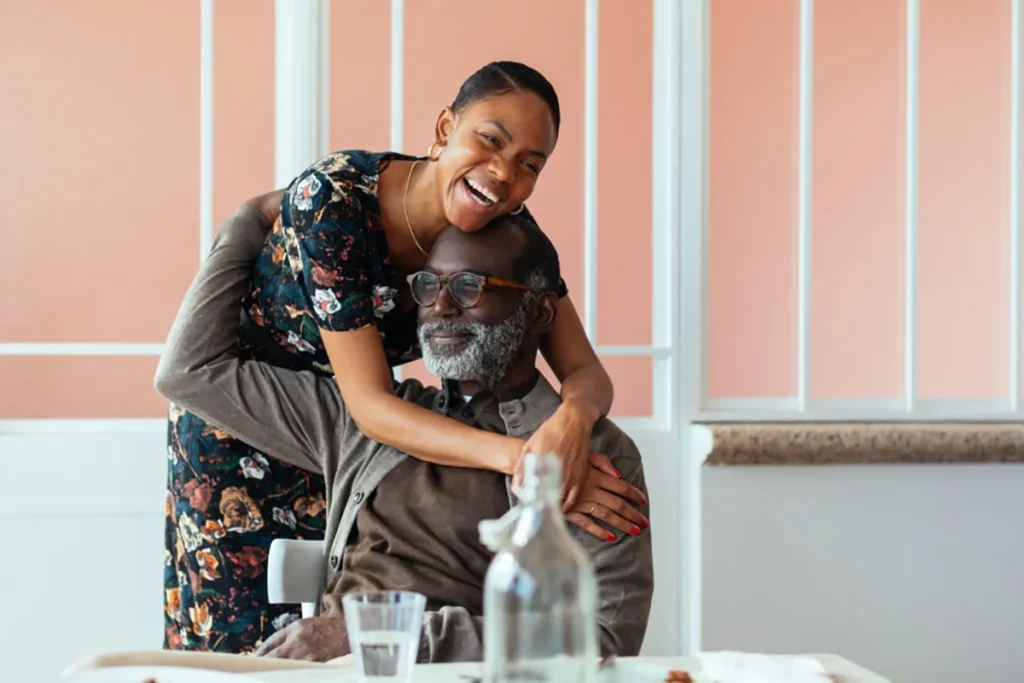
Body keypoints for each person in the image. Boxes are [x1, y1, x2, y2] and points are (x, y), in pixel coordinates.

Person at [162, 61, 622, 652]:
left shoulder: (503, 222)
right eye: (490, 140)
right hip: (255, 426)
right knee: (242, 648)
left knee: (346, 623)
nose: (504, 173)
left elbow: (585, 371)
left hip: (361, 451)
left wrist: (570, 427)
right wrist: (527, 464)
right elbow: (371, 405)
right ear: (444, 128)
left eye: (531, 164)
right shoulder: (336, 208)